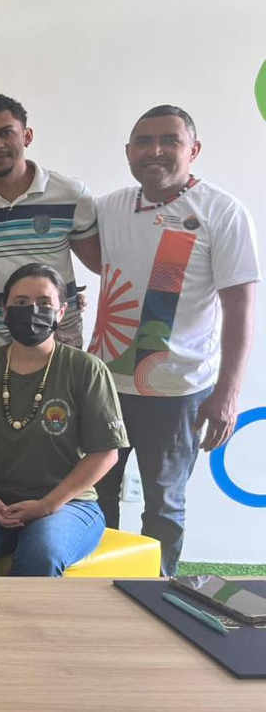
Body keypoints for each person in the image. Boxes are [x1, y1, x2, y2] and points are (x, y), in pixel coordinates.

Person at [90, 105, 258, 576]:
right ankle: (98, 591)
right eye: (143, 141)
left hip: (179, 392)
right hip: (106, 387)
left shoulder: (221, 212)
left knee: (163, 504)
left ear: (194, 150)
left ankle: (153, 594)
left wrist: (227, 393)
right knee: (95, 496)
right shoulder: (111, 207)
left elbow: (241, 309)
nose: (155, 150)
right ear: (128, 152)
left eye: (170, 140)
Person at [0, 264, 125, 577]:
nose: (32, 311)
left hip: (68, 505)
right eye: (21, 303)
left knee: (41, 553)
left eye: (44, 303)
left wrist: (47, 505)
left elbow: (106, 453)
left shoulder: (87, 369)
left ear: (62, 310)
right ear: (4, 309)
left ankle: (22, 628)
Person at [0, 94, 101, 354]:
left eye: (6, 133)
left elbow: (98, 263)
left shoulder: (70, 194)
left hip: (58, 341)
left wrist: (67, 296)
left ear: (27, 136)